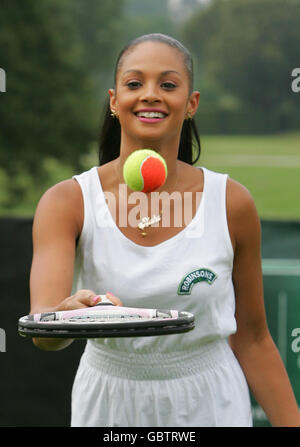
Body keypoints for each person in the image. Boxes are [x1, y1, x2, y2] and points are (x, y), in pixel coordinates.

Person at [29, 33, 300, 427]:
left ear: (192, 104)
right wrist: (67, 315)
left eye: (168, 85)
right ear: (113, 100)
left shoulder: (231, 202)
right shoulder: (65, 202)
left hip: (210, 401)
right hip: (107, 402)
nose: (150, 94)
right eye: (134, 83)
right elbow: (44, 331)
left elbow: (254, 338)